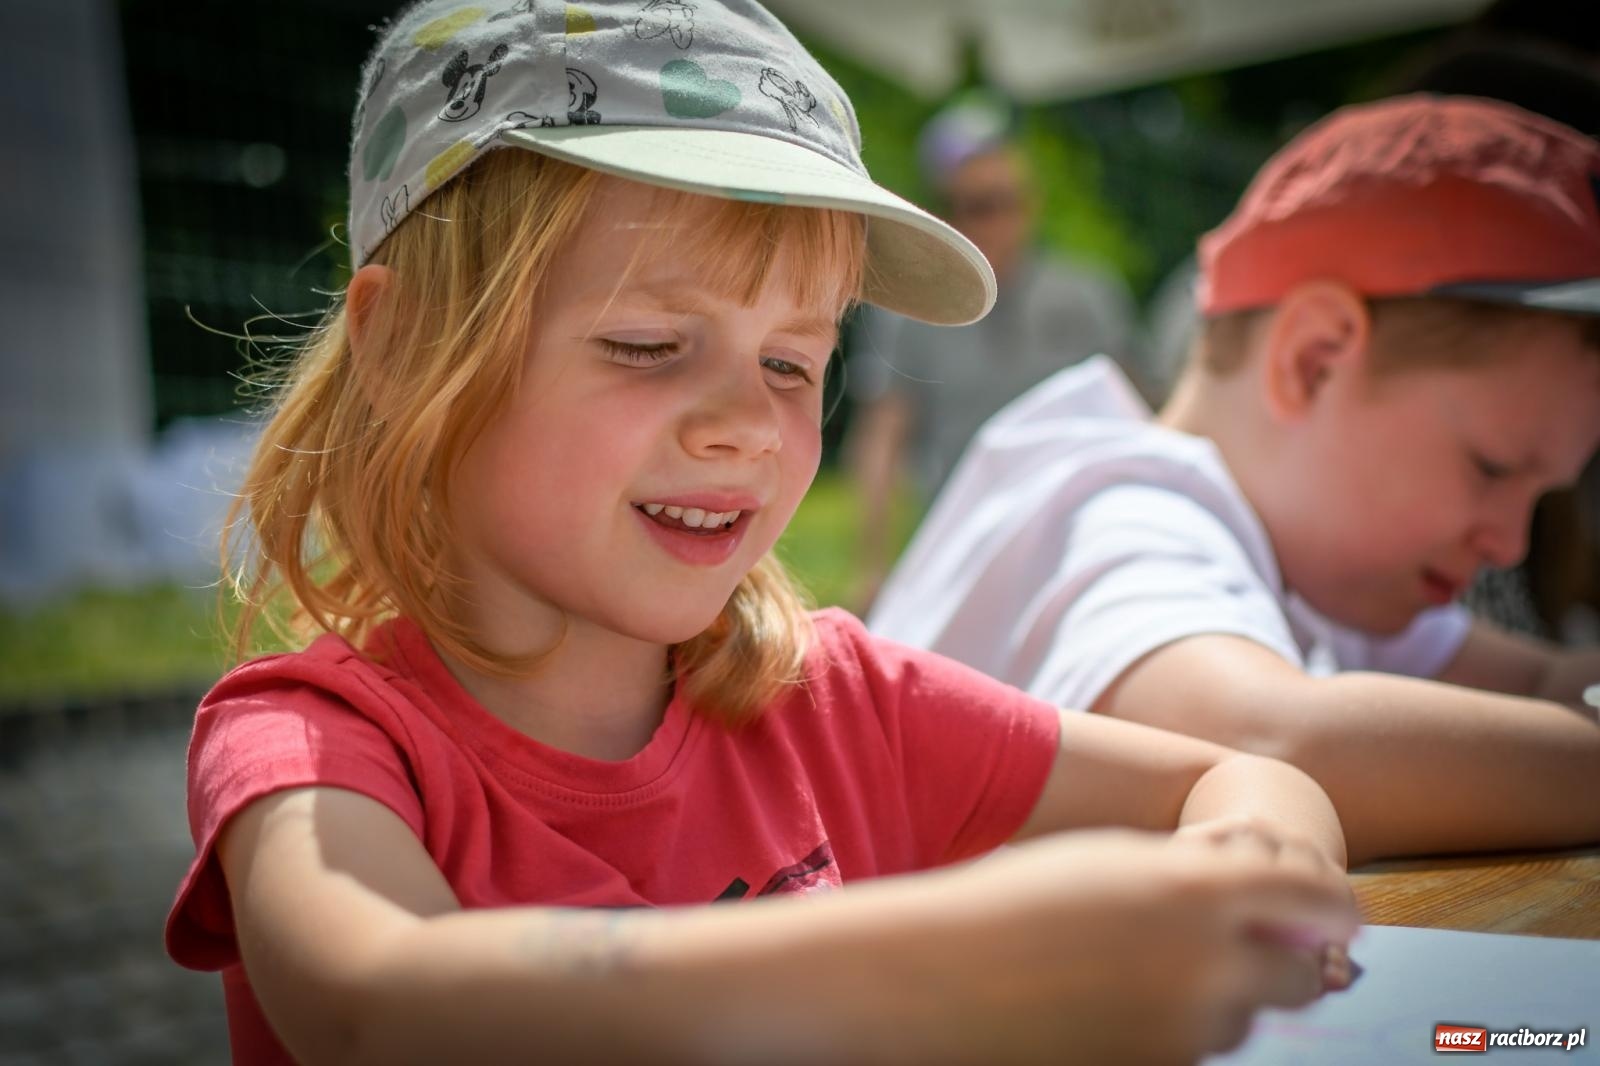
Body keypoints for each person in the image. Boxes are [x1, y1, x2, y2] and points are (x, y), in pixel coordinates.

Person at [161, 3, 1358, 1064]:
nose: (748, 426)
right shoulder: (316, 748)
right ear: (406, 344)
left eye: (794, 362)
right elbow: (381, 1008)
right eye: (647, 343)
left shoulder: (830, 697)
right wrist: (944, 967)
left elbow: (1238, 771)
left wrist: (1250, 873)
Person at [869, 94, 1600, 866]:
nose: (1508, 538)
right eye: (1490, 467)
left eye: (1540, 492)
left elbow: (1547, 681)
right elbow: (1268, 742)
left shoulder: (1328, 564)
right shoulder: (1118, 513)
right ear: (1313, 361)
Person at [844, 91, 1137, 608]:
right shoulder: (914, 308)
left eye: (1006, 202)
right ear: (945, 211)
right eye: (976, 206)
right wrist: (873, 565)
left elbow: (1136, 413)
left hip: (1076, 542)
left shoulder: (1089, 296)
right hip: (960, 548)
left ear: (1030, 203)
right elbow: (883, 436)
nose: (993, 222)